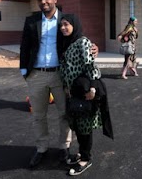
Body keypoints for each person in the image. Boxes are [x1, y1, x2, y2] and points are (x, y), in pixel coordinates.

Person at [19, 0, 98, 168]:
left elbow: (79, 38)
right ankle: (41, 148)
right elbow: (24, 46)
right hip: (36, 75)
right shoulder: (31, 21)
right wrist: (24, 71)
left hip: (60, 76)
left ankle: (64, 147)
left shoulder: (65, 19)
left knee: (65, 114)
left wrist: (94, 47)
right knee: (39, 115)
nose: (43, 1)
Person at [60, 14, 113, 176]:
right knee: (76, 124)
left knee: (84, 126)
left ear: (74, 25)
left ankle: (86, 158)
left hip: (84, 92)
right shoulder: (68, 42)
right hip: (73, 92)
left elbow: (91, 67)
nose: (63, 28)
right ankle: (82, 153)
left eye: (66, 24)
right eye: (61, 25)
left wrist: (93, 89)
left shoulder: (82, 42)